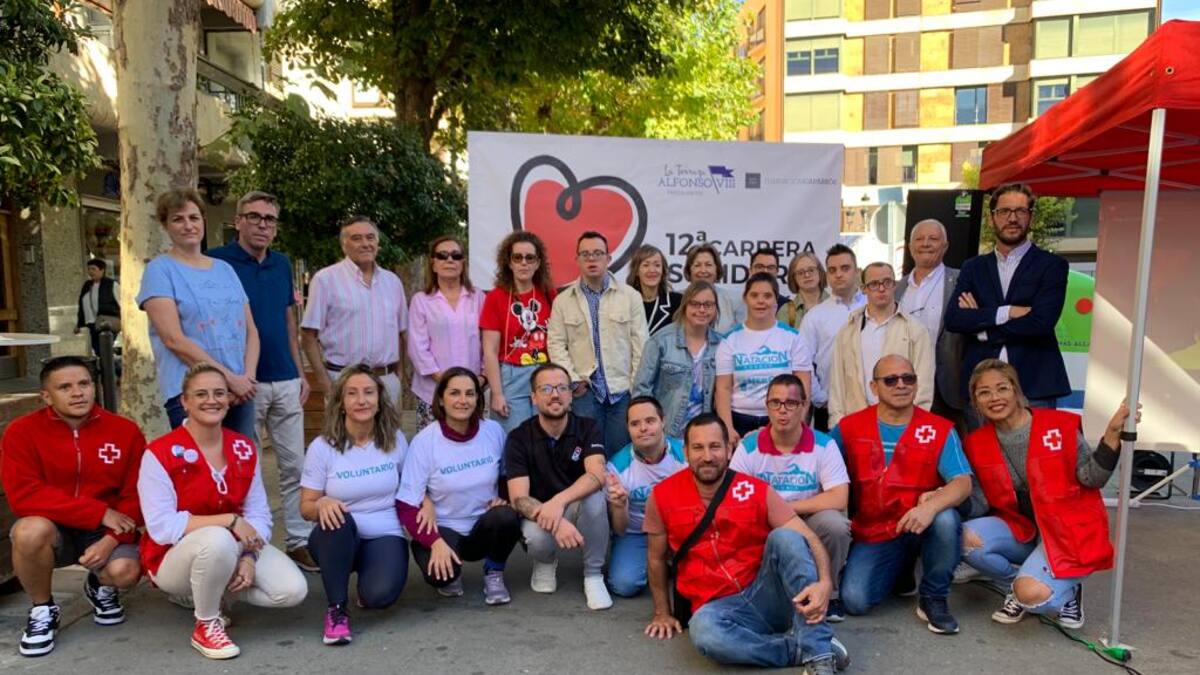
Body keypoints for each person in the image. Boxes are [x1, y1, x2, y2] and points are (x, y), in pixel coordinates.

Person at [641, 413, 849, 673]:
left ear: (729, 450)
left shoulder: (754, 489)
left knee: (786, 537)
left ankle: (818, 654)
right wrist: (662, 612)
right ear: (686, 452)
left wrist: (825, 582)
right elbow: (656, 559)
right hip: (717, 607)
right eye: (698, 447)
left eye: (715, 446)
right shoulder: (662, 496)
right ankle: (801, 649)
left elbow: (808, 537)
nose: (707, 456)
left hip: (767, 593)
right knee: (705, 633)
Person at [138, 363, 307, 660]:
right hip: (172, 557)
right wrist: (230, 521)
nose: (211, 400)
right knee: (218, 538)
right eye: (201, 394)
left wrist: (249, 556)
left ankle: (212, 589)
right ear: (185, 401)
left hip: (234, 547)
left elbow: (259, 514)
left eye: (219, 393)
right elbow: (162, 527)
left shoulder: (243, 447)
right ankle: (206, 623)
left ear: (229, 399)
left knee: (291, 591)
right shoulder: (159, 453)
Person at [958, 359, 1128, 629]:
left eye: (1002, 388)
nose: (994, 398)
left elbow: (1092, 477)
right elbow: (980, 502)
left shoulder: (1059, 425)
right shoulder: (976, 442)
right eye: (984, 393)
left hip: (1066, 532)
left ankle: (1064, 592)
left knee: (1032, 596)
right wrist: (942, 498)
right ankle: (1017, 583)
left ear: (1016, 390)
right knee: (962, 537)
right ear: (976, 402)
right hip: (1022, 528)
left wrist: (1111, 436)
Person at [1, 356, 145, 657]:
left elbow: (137, 494)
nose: (78, 393)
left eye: (84, 384)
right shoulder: (21, 432)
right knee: (28, 531)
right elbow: (23, 495)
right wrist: (97, 512)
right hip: (54, 528)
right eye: (65, 387)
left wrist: (111, 540)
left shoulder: (125, 431)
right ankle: (43, 609)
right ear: (46, 396)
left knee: (126, 572)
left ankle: (99, 585)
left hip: (105, 531)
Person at [207, 190, 315, 573]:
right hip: (242, 383)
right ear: (238, 221)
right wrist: (226, 380)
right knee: (245, 469)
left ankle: (300, 541)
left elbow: (288, 320)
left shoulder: (282, 264)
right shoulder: (217, 262)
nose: (262, 225)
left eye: (269, 219)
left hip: (284, 378)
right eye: (254, 217)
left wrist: (300, 371)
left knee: (295, 466)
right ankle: (250, 545)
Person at [832, 355, 971, 635]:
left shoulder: (939, 428)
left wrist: (930, 508)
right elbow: (818, 457)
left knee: (945, 518)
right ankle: (901, 569)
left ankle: (933, 596)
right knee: (855, 600)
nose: (901, 385)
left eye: (908, 378)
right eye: (890, 380)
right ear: (874, 387)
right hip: (874, 530)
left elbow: (962, 483)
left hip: (920, 523)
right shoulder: (850, 427)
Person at [944, 183, 1070, 429]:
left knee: (1034, 453)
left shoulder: (1052, 265)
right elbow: (955, 319)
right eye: (1004, 211)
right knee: (982, 452)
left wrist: (982, 327)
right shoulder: (973, 267)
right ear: (992, 218)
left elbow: (1041, 323)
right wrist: (1008, 312)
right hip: (981, 387)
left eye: (1020, 211)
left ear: (1031, 217)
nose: (1012, 218)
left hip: (1034, 385)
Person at [300, 365, 410, 646]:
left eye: (369, 393)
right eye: (352, 393)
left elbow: (411, 490)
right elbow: (306, 507)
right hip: (336, 535)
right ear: (340, 402)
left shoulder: (395, 439)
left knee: (379, 597)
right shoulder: (322, 447)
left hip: (384, 530)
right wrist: (321, 502)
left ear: (379, 400)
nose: (362, 400)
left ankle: (367, 576)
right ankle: (336, 610)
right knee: (338, 517)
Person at [137, 189, 259, 440]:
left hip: (239, 392)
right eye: (178, 219)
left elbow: (251, 331)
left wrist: (247, 378)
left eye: (194, 218)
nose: (188, 225)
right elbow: (173, 340)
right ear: (165, 225)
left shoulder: (225, 270)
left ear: (203, 220)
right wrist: (227, 380)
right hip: (194, 393)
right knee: (198, 462)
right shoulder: (159, 271)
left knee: (241, 461)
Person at [730, 374, 852, 622]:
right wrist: (774, 514)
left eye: (791, 403)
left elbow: (839, 497)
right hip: (765, 521)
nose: (782, 410)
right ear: (767, 406)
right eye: (775, 403)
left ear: (804, 406)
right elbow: (734, 498)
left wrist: (786, 508)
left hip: (808, 517)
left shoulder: (824, 444)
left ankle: (829, 593)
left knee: (836, 525)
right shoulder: (749, 447)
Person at [398, 367, 522, 606]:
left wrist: (504, 499)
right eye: (454, 393)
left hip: (483, 525)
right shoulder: (425, 441)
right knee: (440, 576)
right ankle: (444, 567)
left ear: (478, 399)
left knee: (506, 516)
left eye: (470, 393)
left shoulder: (493, 431)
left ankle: (494, 571)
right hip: (444, 529)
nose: (463, 400)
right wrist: (434, 541)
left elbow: (508, 477)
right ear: (441, 400)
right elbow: (406, 504)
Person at [504, 363, 612, 610]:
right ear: (533, 397)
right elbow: (519, 498)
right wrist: (555, 519)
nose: (555, 394)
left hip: (572, 505)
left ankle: (593, 575)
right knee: (534, 537)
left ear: (571, 395)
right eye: (546, 389)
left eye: (562, 388)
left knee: (595, 499)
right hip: (539, 513)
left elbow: (596, 475)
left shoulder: (587, 427)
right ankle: (545, 561)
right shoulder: (519, 437)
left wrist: (558, 502)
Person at [547, 231, 649, 456]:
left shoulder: (630, 296)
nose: (592, 259)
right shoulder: (563, 301)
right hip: (585, 393)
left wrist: (635, 388)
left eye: (597, 253)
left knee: (621, 456)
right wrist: (573, 380)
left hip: (622, 393)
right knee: (587, 454)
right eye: (585, 254)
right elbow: (556, 343)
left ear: (608, 258)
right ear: (577, 259)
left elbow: (641, 345)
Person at [301, 216, 408, 406]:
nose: (365, 243)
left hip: (386, 382)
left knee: (388, 427)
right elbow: (308, 335)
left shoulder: (392, 282)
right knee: (345, 428)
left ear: (377, 243)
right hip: (343, 381)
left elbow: (401, 333)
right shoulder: (325, 280)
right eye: (357, 238)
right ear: (344, 245)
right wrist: (326, 384)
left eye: (370, 237)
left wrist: (398, 374)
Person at [827, 262, 934, 428]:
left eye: (887, 282)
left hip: (901, 424)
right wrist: (838, 423)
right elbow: (837, 384)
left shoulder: (916, 330)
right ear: (864, 289)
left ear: (895, 285)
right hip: (856, 422)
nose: (882, 289)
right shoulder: (848, 330)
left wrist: (912, 427)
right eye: (874, 284)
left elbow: (923, 387)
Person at [604, 396, 686, 597]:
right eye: (635, 424)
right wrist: (619, 505)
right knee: (623, 585)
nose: (643, 428)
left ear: (663, 421)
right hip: (637, 532)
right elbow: (620, 528)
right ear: (628, 428)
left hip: (679, 528)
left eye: (650, 421)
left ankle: (663, 561)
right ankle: (656, 563)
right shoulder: (616, 468)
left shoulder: (686, 455)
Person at [715, 273, 813, 439]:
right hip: (739, 421)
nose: (761, 301)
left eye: (767, 296)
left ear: (776, 300)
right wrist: (727, 428)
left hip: (783, 418)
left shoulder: (794, 338)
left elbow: (804, 386)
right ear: (745, 299)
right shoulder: (729, 340)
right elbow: (723, 389)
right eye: (754, 295)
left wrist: (799, 424)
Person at [480, 231, 557, 434]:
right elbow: (490, 350)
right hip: (511, 376)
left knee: (546, 436)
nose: (524, 263)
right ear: (509, 262)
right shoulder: (496, 297)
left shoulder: (549, 294)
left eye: (530, 258)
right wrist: (497, 393)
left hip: (544, 373)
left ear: (538, 263)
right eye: (517, 257)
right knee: (515, 438)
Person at [407, 235, 485, 430]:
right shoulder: (421, 300)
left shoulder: (478, 298)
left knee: (471, 443)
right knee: (432, 445)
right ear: (433, 263)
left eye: (456, 255)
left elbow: (489, 341)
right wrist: (446, 383)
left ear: (463, 263)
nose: (449, 260)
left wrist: (482, 378)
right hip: (432, 391)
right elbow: (417, 348)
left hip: (471, 392)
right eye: (442, 255)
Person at [631, 281, 721, 439]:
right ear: (685, 306)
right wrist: (651, 428)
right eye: (695, 304)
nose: (701, 310)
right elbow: (642, 389)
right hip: (666, 434)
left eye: (708, 305)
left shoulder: (721, 345)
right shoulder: (660, 341)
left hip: (703, 434)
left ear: (715, 309)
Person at [896, 219, 964, 423]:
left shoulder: (962, 281)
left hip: (948, 388)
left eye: (933, 238)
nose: (925, 244)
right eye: (919, 239)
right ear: (910, 247)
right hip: (904, 386)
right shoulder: (897, 288)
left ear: (945, 246)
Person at [798, 244, 866, 431]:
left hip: (872, 405)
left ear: (857, 272)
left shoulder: (873, 308)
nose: (838, 274)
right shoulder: (815, 316)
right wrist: (820, 398)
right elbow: (802, 362)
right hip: (830, 407)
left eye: (845, 268)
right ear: (826, 275)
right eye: (832, 270)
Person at [682, 243, 745, 333]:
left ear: (717, 269)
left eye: (708, 265)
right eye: (697, 265)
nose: (703, 270)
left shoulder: (735, 301)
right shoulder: (676, 299)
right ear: (689, 270)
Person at [626, 244, 681, 336]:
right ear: (636, 271)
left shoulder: (677, 302)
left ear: (663, 270)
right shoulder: (626, 302)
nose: (652, 270)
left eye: (657, 265)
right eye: (646, 265)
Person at [75, 258, 121, 358]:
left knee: (104, 349)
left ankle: (111, 366)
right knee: (97, 349)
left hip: (107, 321)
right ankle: (109, 366)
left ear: (102, 270)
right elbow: (82, 305)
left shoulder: (111, 284)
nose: (90, 272)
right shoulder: (87, 285)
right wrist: (79, 324)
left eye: (93, 269)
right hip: (92, 322)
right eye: (89, 269)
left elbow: (121, 303)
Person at [777, 251, 828, 330]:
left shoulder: (837, 305)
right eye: (800, 273)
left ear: (820, 272)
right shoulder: (786, 311)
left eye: (811, 270)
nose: (807, 275)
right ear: (794, 278)